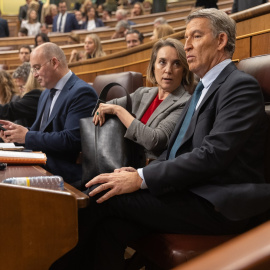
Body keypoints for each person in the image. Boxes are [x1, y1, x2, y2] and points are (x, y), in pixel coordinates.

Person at [72, 8, 270, 269]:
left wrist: (141, 179)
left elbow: (213, 155)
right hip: (187, 191)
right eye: (186, 38)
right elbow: (176, 149)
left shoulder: (239, 86)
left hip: (215, 203)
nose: (186, 46)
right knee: (111, 227)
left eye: (195, 37)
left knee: (100, 196)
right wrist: (141, 171)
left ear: (221, 41)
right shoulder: (201, 87)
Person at [0, 42, 98, 189]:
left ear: (54, 62)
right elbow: (37, 132)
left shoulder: (81, 92)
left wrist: (26, 136)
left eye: (37, 68)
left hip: (65, 171)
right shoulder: (46, 93)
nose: (34, 74)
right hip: (44, 164)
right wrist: (15, 134)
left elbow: (71, 140)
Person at [93, 38, 192, 163]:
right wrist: (99, 113)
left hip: (150, 171)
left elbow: (154, 140)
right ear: (153, 67)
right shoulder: (143, 93)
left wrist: (119, 111)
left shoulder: (185, 102)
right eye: (162, 62)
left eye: (176, 63)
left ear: (184, 71)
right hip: (121, 162)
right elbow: (102, 107)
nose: (168, 70)